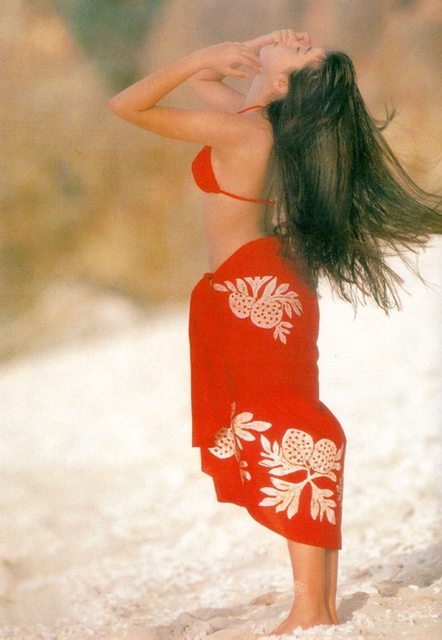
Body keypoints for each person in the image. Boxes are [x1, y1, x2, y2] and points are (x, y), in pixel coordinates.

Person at [109, 29, 441, 635]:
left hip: (254, 289)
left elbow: (127, 105)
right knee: (291, 418)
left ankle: (311, 609)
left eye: (303, 51)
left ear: (287, 82)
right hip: (263, 280)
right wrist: (255, 49)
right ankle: (318, 605)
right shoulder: (257, 121)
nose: (301, 39)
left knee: (289, 424)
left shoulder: (246, 132)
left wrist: (200, 56)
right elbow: (209, 82)